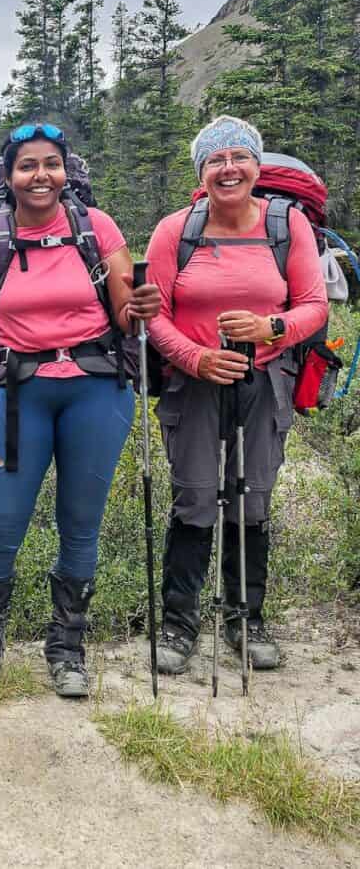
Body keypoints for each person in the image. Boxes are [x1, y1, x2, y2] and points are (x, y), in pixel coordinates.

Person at [0, 123, 161, 698]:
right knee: (2, 519)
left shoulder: (97, 228)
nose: (40, 176)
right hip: (18, 388)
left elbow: (126, 319)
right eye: (28, 166)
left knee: (81, 521)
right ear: (8, 178)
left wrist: (142, 308)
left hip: (97, 387)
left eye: (51, 164)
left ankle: (68, 649)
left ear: (67, 172)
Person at [145, 115, 328, 674]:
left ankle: (245, 618)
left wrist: (271, 329)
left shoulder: (287, 225)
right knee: (196, 497)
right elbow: (155, 317)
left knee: (252, 497)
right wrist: (195, 357)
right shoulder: (176, 230)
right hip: (193, 383)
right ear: (202, 173)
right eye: (215, 161)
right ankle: (179, 624)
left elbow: (314, 305)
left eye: (238, 158)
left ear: (256, 165)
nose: (228, 169)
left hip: (265, 379)